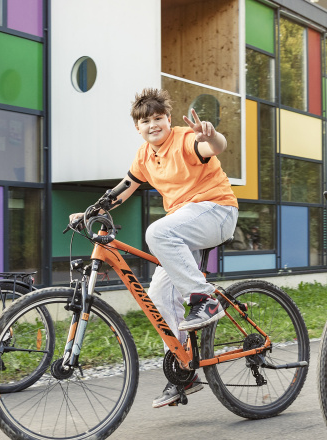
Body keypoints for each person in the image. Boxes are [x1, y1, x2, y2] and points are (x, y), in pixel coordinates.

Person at [70, 88, 238, 408]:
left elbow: (212, 146)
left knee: (156, 231)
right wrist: (91, 211)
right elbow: (124, 189)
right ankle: (183, 373)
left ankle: (205, 300)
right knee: (160, 293)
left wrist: (213, 135)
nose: (152, 125)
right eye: (145, 121)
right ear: (138, 128)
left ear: (168, 120)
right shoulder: (144, 156)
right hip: (184, 225)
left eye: (158, 118)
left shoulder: (185, 138)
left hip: (217, 211)